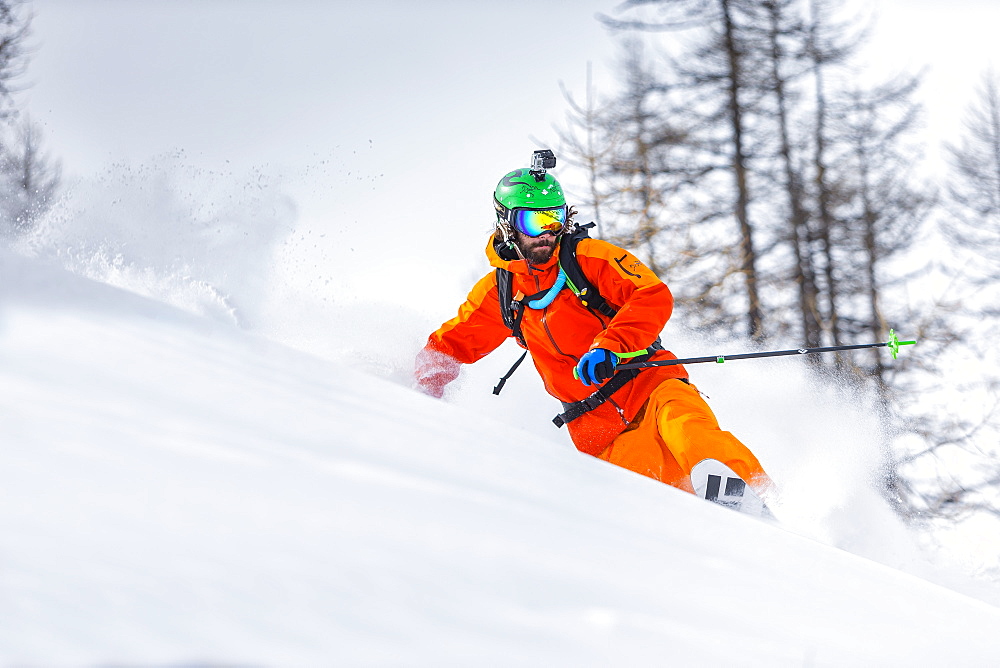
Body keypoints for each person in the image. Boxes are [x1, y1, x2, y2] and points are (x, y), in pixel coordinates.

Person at [414, 154, 773, 499]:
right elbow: (451, 345)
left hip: (650, 387)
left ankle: (760, 503)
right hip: (599, 433)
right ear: (507, 224)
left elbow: (652, 296)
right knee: (668, 497)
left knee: (691, 434)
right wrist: (415, 392)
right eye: (533, 223)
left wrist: (610, 345)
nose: (546, 234)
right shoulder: (500, 292)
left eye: (554, 221)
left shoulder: (589, 259)